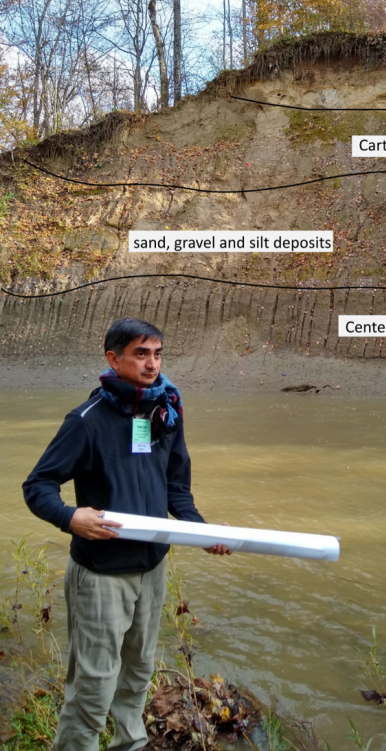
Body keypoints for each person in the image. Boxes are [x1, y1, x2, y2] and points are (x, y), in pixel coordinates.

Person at [22, 316, 230, 751]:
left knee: (137, 675)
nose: (152, 364)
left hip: (151, 569)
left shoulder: (164, 412)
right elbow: (38, 485)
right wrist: (70, 517)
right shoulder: (87, 420)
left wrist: (200, 531)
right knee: (93, 686)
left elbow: (176, 487)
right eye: (141, 354)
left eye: (157, 354)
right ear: (113, 359)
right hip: (102, 573)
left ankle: (130, 744)